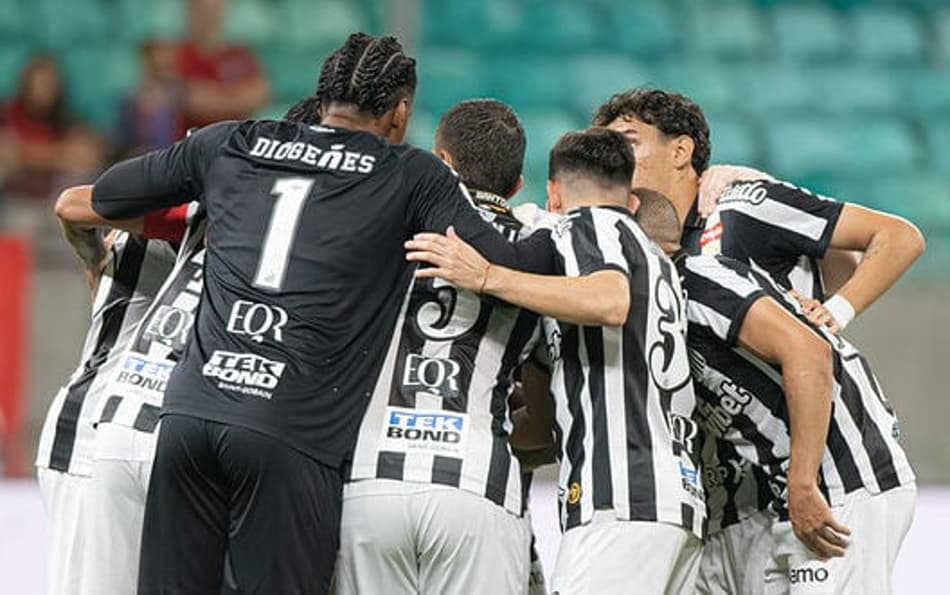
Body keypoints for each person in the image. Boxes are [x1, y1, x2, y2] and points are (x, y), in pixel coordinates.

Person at [72, 33, 552, 594]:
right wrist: (560, 231)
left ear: (321, 97)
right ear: (400, 113)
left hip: (188, 420)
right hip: (289, 435)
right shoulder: (411, 174)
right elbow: (509, 260)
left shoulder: (230, 143)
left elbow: (108, 196)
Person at [592, 87, 925, 592]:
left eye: (630, 141)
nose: (615, 158)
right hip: (740, 493)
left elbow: (897, 238)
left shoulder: (743, 204)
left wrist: (832, 314)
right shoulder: (652, 247)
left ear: (680, 151)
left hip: (824, 470)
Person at [406, 127, 705, 594]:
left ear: (554, 194)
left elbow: (609, 300)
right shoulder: (654, 258)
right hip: (673, 501)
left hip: (621, 496)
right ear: (630, 196)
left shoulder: (590, 227)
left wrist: (487, 276)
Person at [634, 189, 917, 595]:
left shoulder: (697, 280)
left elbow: (809, 352)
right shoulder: (663, 306)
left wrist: (802, 483)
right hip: (788, 494)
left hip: (843, 481)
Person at [334, 98, 544, 595]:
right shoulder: (540, 251)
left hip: (371, 478)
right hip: (478, 485)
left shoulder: (376, 228)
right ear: (515, 186)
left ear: (440, 160)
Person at [35, 191, 187, 595]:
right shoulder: (182, 214)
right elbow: (69, 205)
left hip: (167, 442)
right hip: (93, 434)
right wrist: (95, 261)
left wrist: (93, 261)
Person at [0, 54, 105, 201]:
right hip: (15, 197)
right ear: (26, 84)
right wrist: (60, 154)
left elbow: (87, 156)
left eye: (50, 84)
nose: (45, 90)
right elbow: (7, 154)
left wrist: (28, 154)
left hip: (53, 198)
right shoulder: (7, 115)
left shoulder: (66, 118)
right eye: (40, 83)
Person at [176, 0, 269, 136]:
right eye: (203, 10)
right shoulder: (178, 55)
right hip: (192, 146)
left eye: (215, 9)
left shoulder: (239, 53)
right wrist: (236, 96)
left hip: (235, 145)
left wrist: (215, 96)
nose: (209, 16)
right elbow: (192, 100)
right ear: (191, 10)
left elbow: (261, 93)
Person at [116, 40, 183, 159]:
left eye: (166, 65)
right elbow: (124, 137)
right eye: (156, 66)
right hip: (139, 158)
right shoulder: (130, 98)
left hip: (171, 158)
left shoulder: (179, 94)